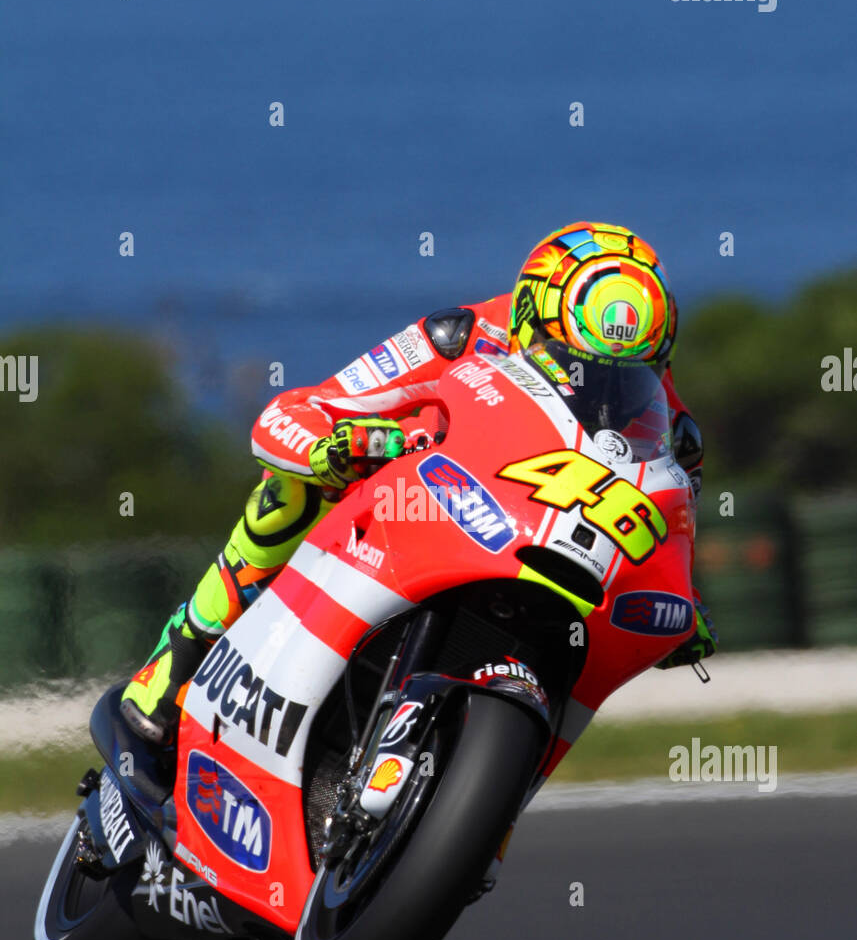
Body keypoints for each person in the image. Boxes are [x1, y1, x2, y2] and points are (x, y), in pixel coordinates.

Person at [120, 221, 717, 746]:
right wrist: (328, 449)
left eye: (627, 377)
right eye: (579, 366)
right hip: (408, 508)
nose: (602, 391)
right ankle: (181, 654)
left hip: (534, 541)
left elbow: (672, 519)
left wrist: (683, 602)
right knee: (290, 493)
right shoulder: (458, 334)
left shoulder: (674, 426)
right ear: (528, 318)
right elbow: (295, 413)